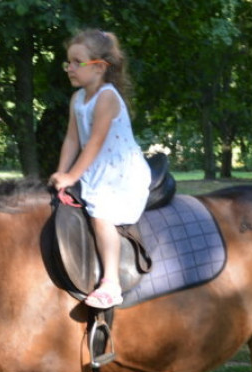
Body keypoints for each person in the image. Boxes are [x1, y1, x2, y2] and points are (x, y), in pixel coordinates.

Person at [49, 29, 151, 309]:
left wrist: (72, 175)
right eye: (68, 62)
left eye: (76, 62)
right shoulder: (78, 99)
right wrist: (61, 174)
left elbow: (93, 143)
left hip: (120, 174)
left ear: (99, 67)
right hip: (96, 170)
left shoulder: (107, 97)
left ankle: (111, 284)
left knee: (102, 216)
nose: (69, 68)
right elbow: (72, 139)